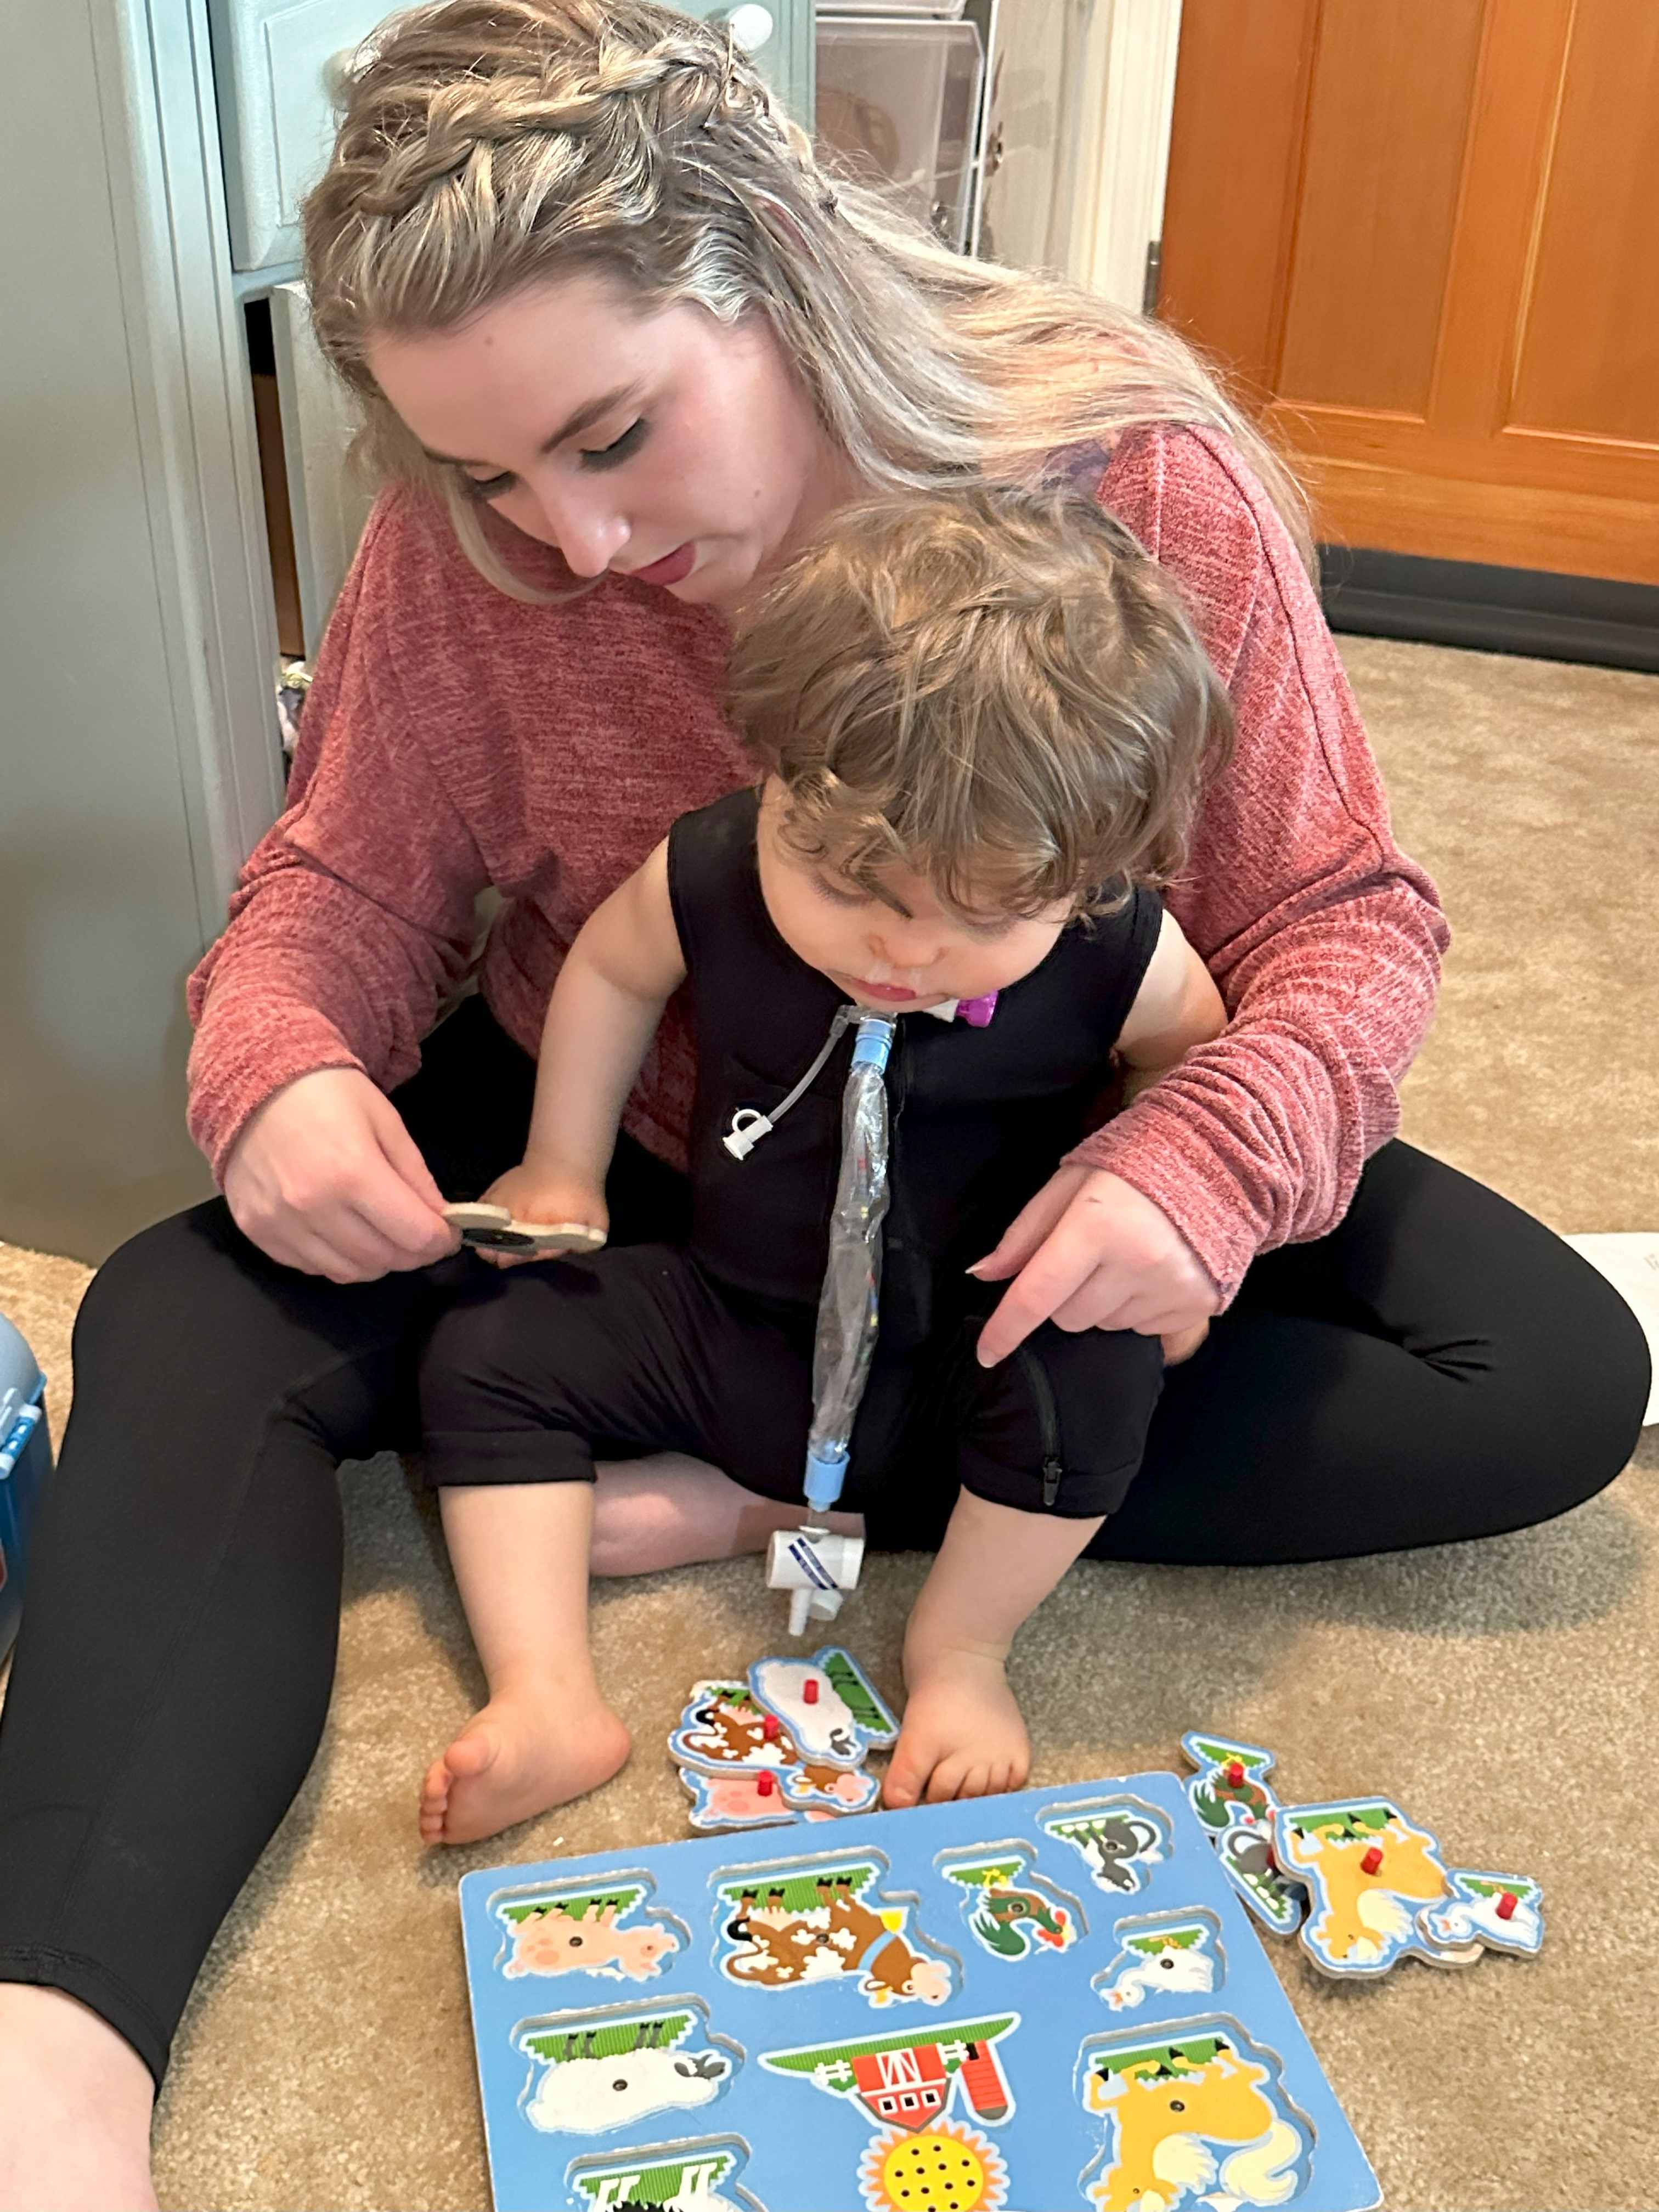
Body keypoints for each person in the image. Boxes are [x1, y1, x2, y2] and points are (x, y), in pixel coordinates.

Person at [0, 1, 1644, 2204]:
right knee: (179, 1312)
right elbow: (344, 880)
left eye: (613, 436)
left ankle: (786, 1486)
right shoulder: (472, 546)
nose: (564, 541)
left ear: (776, 265)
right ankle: (51, 2048)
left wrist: (1201, 1162)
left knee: (1548, 1379)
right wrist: (281, 1066)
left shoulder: (1131, 476)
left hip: (1003, 1161)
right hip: (640, 1136)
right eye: (486, 474)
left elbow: (1340, 919)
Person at [416, 483, 1230, 1843]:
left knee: (1103, 1379)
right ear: (780, 775)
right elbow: (612, 971)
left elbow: (1194, 1066)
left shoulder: (1117, 949)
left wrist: (1174, 1221)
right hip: (733, 1318)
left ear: (1083, 876)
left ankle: (957, 1652)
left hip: (971, 1351)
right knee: (482, 1344)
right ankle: (549, 1692)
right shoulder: (717, 868)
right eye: (849, 886)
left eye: (972, 918)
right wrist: (563, 1165)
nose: (898, 952)